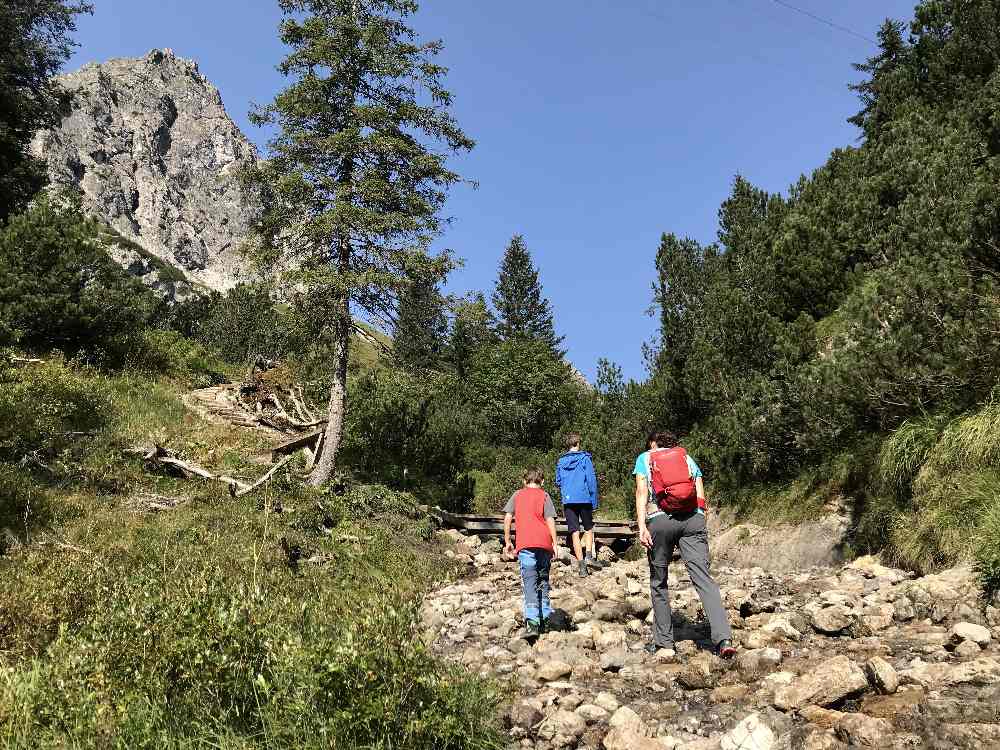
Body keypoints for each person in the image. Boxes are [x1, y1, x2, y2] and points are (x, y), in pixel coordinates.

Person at [635, 430, 736, 658]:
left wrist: (641, 526)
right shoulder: (686, 458)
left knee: (659, 581)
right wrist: (700, 518)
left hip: (659, 521)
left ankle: (665, 644)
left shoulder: (645, 458)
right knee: (703, 579)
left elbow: (641, 492)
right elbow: (700, 492)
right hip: (692, 520)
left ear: (653, 444)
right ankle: (723, 640)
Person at [503, 466, 559, 637]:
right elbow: (550, 520)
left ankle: (533, 623)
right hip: (544, 544)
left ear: (524, 481)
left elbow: (507, 517)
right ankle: (546, 619)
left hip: (525, 544)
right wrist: (555, 543)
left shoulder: (517, 495)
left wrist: (507, 541)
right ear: (542, 481)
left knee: (529, 582)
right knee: (543, 580)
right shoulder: (545, 496)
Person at [556, 432, 605, 577]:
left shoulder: (561, 461)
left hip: (569, 500)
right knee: (589, 528)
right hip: (584, 498)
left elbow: (558, 481)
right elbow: (591, 480)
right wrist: (594, 501)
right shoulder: (585, 459)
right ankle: (589, 556)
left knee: (574, 532)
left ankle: (582, 566)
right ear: (578, 444)